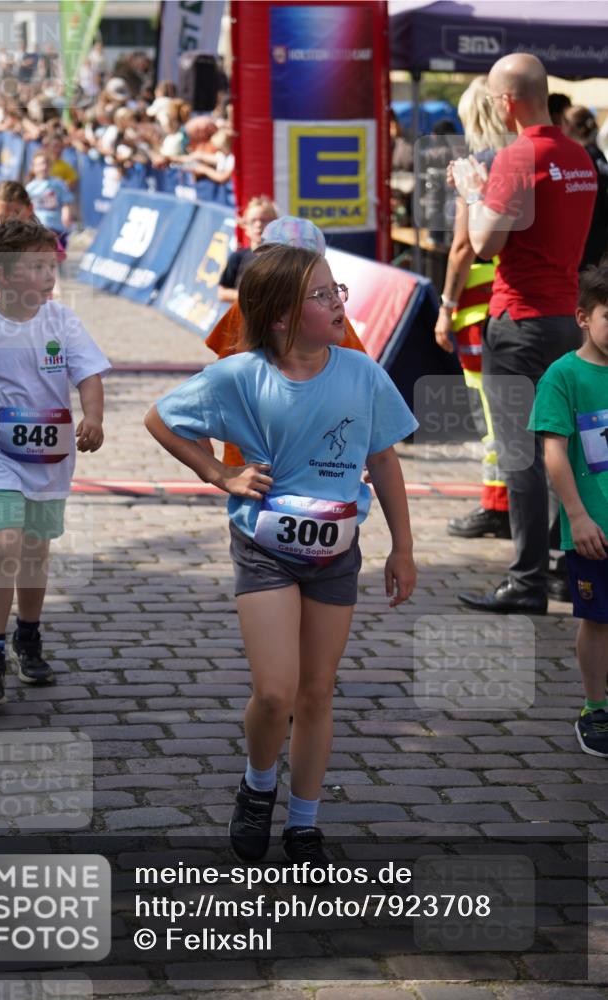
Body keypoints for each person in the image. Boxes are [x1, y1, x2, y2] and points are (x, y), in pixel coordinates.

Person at [144, 245, 418, 863]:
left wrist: (403, 546)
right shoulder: (239, 375)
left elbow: (383, 459)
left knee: (316, 691)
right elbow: (161, 419)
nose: (338, 304)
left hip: (336, 553)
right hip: (265, 549)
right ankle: (257, 783)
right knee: (275, 690)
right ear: (279, 319)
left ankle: (304, 821)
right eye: (321, 297)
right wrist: (219, 473)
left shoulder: (362, 373)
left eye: (337, 290)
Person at [0, 219, 110, 708]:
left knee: (33, 550)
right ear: (3, 275)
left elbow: (89, 373)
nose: (49, 273)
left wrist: (93, 416)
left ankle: (28, 636)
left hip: (51, 456)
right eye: (36, 265)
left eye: (50, 263)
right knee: (4, 542)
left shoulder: (63, 321)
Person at [451, 53, 597, 614]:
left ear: (507, 102)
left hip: (520, 321)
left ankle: (526, 581)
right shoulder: (576, 153)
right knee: (566, 448)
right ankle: (565, 572)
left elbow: (486, 244)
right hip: (569, 319)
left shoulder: (519, 155)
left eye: (492, 97)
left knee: (522, 455)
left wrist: (470, 190)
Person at [206, 215, 366, 466]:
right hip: (248, 462)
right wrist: (215, 470)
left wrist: (365, 452)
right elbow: (219, 379)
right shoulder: (243, 308)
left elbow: (359, 381)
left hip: (311, 457)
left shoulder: (330, 316)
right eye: (273, 260)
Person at [528, 266, 608, 755]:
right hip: (595, 527)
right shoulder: (563, 376)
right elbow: (554, 452)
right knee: (598, 619)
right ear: (583, 317)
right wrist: (577, 516)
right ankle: (594, 707)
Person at [434, 75, 512, 540]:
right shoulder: (520, 162)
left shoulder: (475, 166)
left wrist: (445, 305)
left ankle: (497, 503)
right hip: (513, 301)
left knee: (490, 413)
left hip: (478, 307)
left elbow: (463, 247)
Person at [564, 106, 608, 271]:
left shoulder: (586, 155)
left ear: (569, 126)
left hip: (590, 235)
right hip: (594, 234)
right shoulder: (592, 153)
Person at [217, 195, 278, 304]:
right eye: (253, 221)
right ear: (245, 226)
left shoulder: (285, 259)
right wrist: (248, 296)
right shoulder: (237, 258)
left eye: (264, 220)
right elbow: (222, 293)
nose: (258, 225)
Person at [26, 150, 73, 250]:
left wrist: (66, 214)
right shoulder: (30, 188)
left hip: (56, 227)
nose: (43, 167)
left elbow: (66, 201)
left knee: (57, 258)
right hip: (38, 228)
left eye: (45, 163)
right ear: (33, 168)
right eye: (39, 164)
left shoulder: (58, 184)